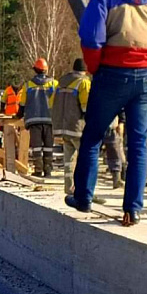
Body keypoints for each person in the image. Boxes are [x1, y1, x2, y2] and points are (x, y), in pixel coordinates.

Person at [66, 0, 147, 226]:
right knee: (138, 144)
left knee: (93, 137)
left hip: (111, 74)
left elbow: (92, 39)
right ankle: (133, 209)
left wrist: (96, 69)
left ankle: (83, 197)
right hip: (144, 80)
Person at [51, 58, 90, 193]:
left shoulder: (60, 83)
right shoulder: (83, 83)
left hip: (62, 127)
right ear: (85, 70)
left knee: (68, 159)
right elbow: (86, 107)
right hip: (77, 127)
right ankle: (84, 188)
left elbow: (51, 103)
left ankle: (68, 187)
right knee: (85, 157)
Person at [18, 58, 58, 177]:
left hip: (34, 120)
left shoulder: (28, 85)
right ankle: (48, 170)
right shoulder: (54, 84)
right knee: (48, 147)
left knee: (36, 147)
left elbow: (22, 104)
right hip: (50, 120)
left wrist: (19, 115)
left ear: (35, 70)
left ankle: (38, 170)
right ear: (46, 70)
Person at [103, 115, 125, 189]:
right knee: (114, 152)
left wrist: (121, 122)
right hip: (99, 125)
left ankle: (117, 179)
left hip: (112, 128)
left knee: (114, 152)